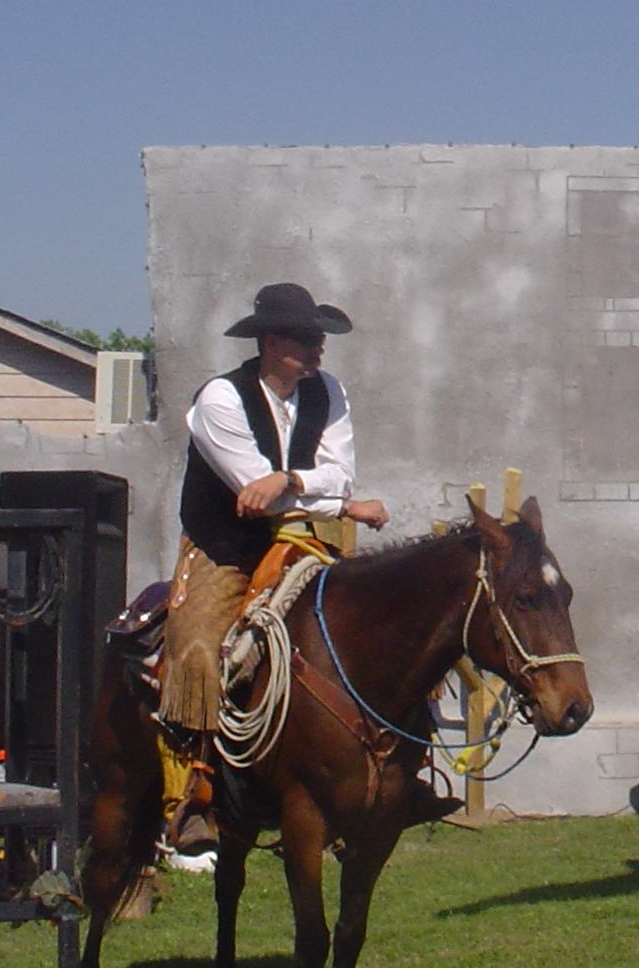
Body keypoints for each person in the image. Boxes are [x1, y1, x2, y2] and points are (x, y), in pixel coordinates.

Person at [161, 282, 388, 856]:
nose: (318, 351)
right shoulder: (218, 400)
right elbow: (250, 495)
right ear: (269, 342)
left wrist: (292, 481)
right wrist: (335, 502)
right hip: (227, 545)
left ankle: (377, 776)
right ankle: (194, 792)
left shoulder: (328, 391)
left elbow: (335, 475)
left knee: (367, 630)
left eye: (319, 340)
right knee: (197, 646)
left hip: (302, 538)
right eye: (305, 340)